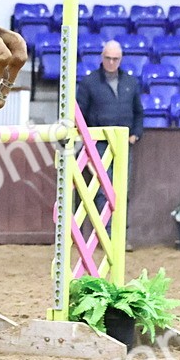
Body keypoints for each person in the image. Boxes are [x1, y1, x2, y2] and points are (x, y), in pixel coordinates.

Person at [75, 39, 144, 248]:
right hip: (99, 144)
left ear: (120, 59)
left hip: (124, 144)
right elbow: (80, 114)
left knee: (122, 190)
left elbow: (138, 112)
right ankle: (108, 236)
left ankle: (119, 236)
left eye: (115, 59)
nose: (111, 62)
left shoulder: (131, 83)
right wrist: (87, 140)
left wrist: (136, 134)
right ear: (102, 58)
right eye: (108, 58)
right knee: (103, 190)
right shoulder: (89, 83)